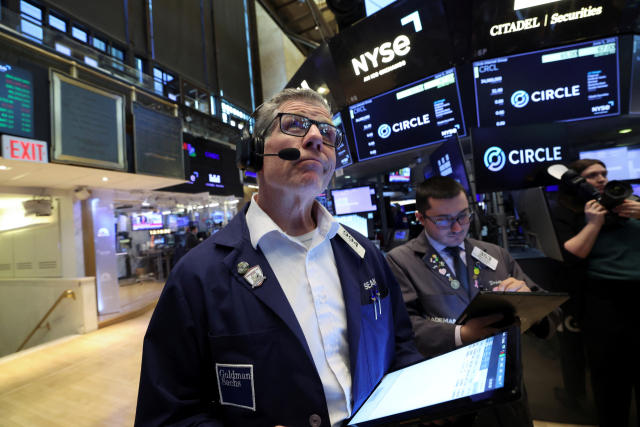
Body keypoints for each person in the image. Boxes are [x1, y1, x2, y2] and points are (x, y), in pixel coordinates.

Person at [134, 88, 425, 427]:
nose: (316, 137)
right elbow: (167, 416)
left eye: (327, 132)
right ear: (254, 151)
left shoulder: (365, 254)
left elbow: (400, 347)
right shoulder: (197, 276)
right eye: (295, 124)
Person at [387, 176, 561, 427]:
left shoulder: (494, 254)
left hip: (506, 385)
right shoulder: (400, 261)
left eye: (463, 216)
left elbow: (550, 315)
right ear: (420, 218)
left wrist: (529, 301)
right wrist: (462, 334)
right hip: (447, 393)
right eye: (444, 220)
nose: (457, 227)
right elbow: (402, 327)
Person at [552, 159, 640, 427]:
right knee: (609, 376)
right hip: (603, 301)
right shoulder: (570, 213)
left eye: (604, 173)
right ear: (576, 182)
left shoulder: (631, 202)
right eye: (592, 175)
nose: (601, 178)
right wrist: (594, 223)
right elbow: (571, 256)